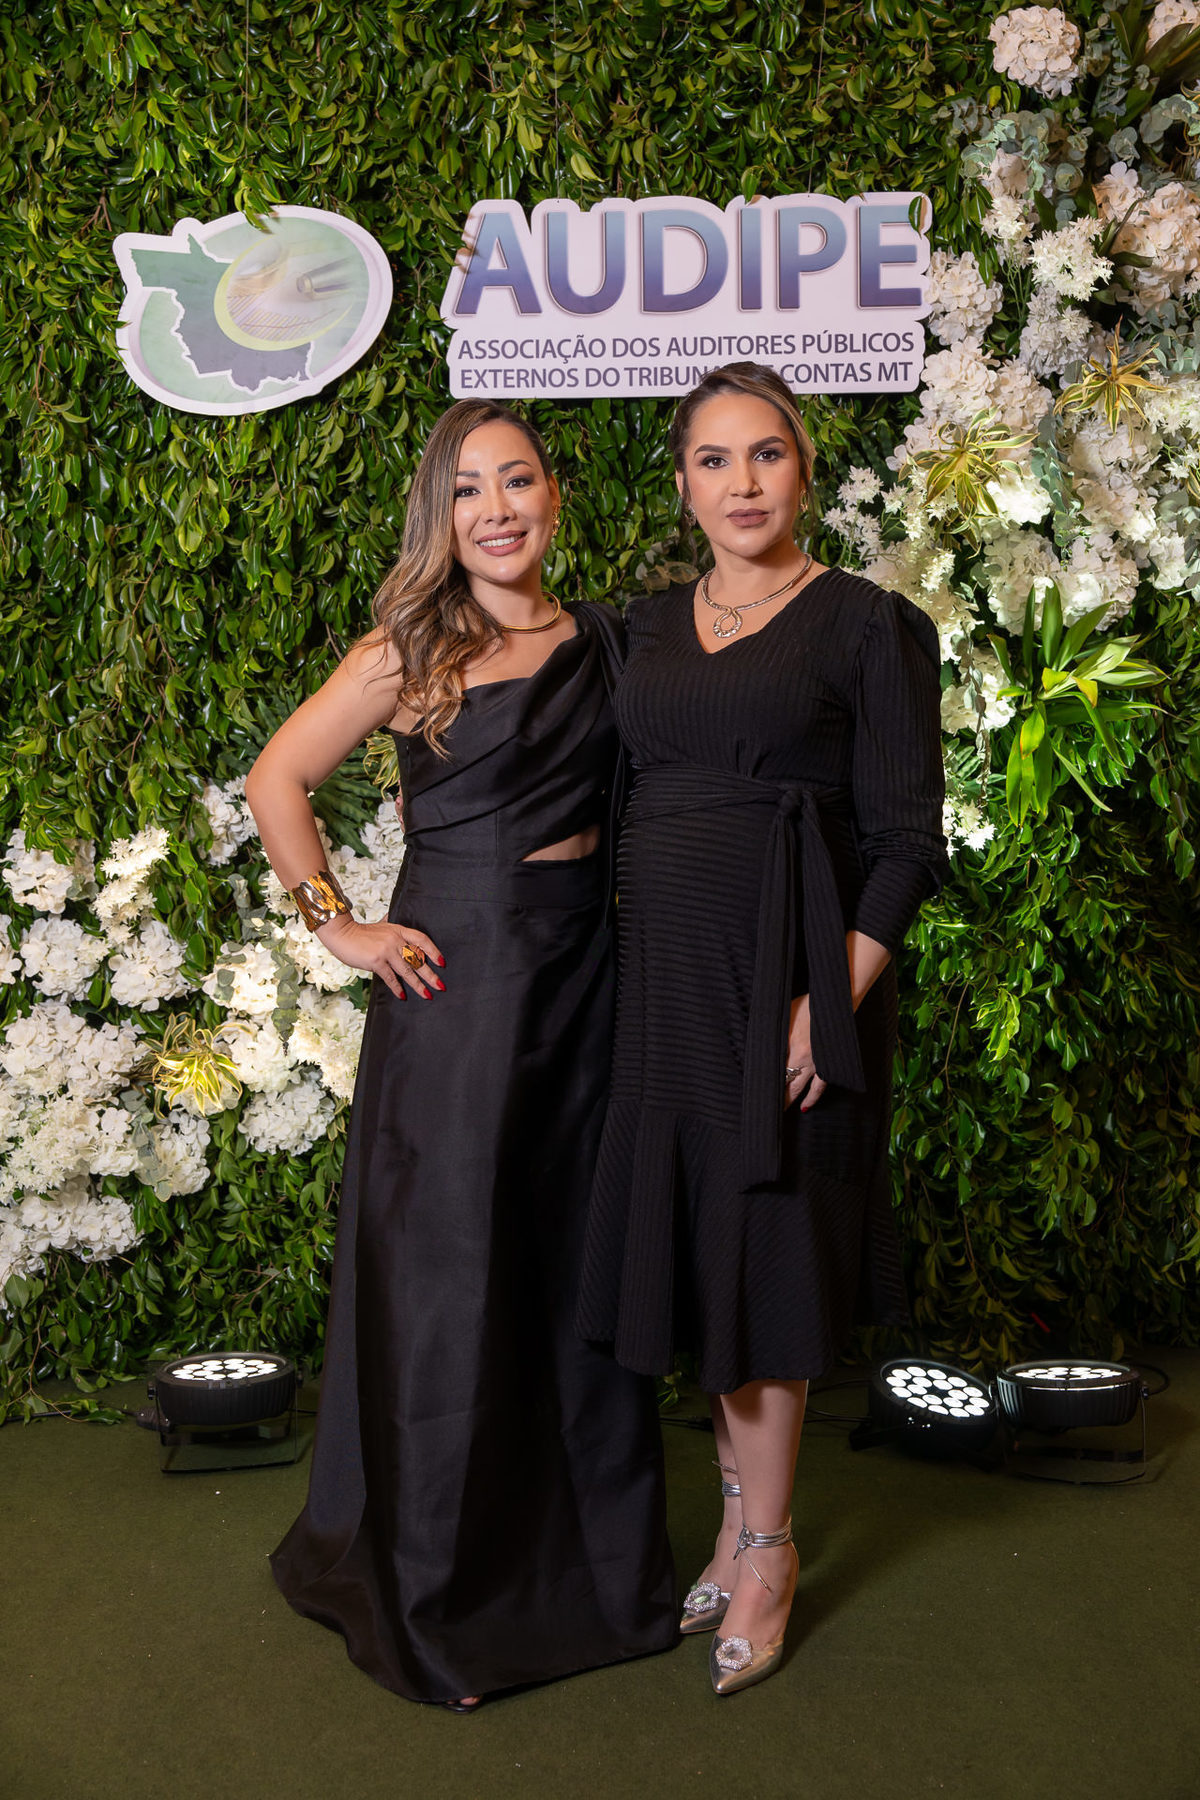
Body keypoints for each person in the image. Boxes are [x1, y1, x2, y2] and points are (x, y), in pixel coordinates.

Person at [247, 398, 676, 1710]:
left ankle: (598, 1581)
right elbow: (276, 779)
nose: (498, 508)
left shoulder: (612, 642)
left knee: (573, 1270)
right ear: (443, 512)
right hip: (461, 984)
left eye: (518, 480)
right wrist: (339, 926)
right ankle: (439, 1596)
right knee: (453, 1276)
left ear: (553, 497)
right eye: (471, 488)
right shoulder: (410, 650)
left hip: (588, 980)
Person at [576, 363, 948, 1696]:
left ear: (804, 470)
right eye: (714, 459)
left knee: (764, 1241)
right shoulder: (639, 629)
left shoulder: (869, 625)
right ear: (684, 484)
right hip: (660, 987)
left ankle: (775, 1549)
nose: (742, 483)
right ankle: (736, 1527)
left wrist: (824, 1006)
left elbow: (907, 845)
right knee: (698, 1243)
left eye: (767, 455)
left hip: (792, 981)